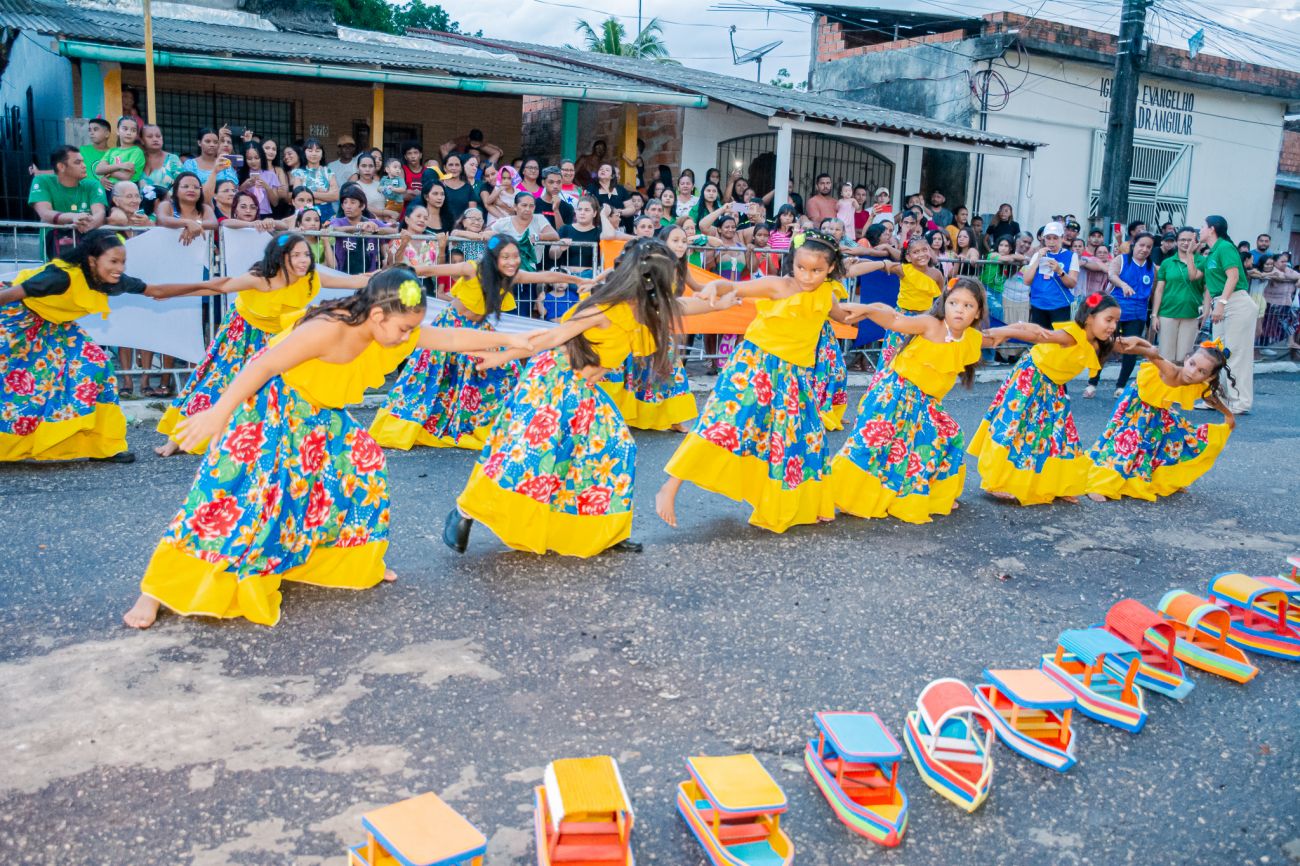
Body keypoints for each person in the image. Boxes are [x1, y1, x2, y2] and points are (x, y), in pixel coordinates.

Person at [125, 271, 531, 628]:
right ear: (378, 315)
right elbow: (263, 365)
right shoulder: (328, 329)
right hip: (273, 407)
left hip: (322, 413)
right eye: (405, 328)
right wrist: (218, 413)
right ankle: (157, 590)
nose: (409, 336)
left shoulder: (392, 330)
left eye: (412, 329)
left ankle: (345, 560)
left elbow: (452, 337)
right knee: (237, 496)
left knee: (362, 465)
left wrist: (510, 339)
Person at [445, 239, 714, 557]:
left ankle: (604, 529)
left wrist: (725, 295)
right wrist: (500, 356)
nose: (673, 284)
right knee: (528, 457)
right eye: (669, 278)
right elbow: (552, 337)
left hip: (584, 389)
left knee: (615, 449)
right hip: (554, 380)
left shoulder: (644, 309)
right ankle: (465, 511)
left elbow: (691, 306)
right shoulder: (605, 308)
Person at [655, 234, 869, 534]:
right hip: (756, 366)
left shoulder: (827, 295)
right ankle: (670, 486)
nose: (807, 276)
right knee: (725, 424)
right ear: (792, 262)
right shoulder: (778, 285)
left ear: (831, 269)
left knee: (800, 437)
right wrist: (716, 286)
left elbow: (844, 316)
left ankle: (802, 502)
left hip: (794, 375)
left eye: (816, 270)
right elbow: (735, 287)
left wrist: (875, 311)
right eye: (801, 268)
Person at [0, 230, 213, 462]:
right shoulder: (61, 277)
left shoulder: (110, 280)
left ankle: (103, 445)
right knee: (10, 380)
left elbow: (157, 291)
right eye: (113, 261)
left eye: (123, 262)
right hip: (14, 319)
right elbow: (9, 294)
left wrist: (214, 286)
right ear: (92, 261)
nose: (120, 268)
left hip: (54, 324)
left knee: (96, 363)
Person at [155, 232, 373, 456]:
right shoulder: (260, 279)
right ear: (280, 257)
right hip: (242, 334)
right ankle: (178, 439)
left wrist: (391, 276)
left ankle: (269, 439)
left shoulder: (310, 277)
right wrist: (166, 290)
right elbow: (217, 286)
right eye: (295, 255)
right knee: (220, 382)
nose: (303, 260)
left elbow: (355, 280)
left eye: (306, 255)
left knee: (281, 388)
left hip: (278, 338)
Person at [830, 278, 1024, 524]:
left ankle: (932, 494)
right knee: (873, 442)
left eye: (968, 306)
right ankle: (838, 491)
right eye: (954, 303)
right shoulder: (931, 324)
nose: (959, 310)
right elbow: (895, 320)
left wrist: (1020, 331)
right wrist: (867, 309)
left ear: (977, 312)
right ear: (944, 303)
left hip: (925, 401)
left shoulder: (971, 338)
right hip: (895, 392)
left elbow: (996, 337)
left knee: (949, 435)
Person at [370, 235, 588, 451]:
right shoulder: (472, 269)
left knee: (508, 370)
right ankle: (410, 426)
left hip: (480, 329)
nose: (512, 262)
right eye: (505, 257)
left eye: (515, 256)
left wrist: (577, 280)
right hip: (451, 326)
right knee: (431, 378)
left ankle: (503, 424)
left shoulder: (513, 276)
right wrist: (387, 276)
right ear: (493, 258)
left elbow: (546, 275)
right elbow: (429, 270)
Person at [970, 294, 1141, 505]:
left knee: (1059, 435)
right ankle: (995, 482)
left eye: (1116, 321)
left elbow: (1128, 345)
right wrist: (1006, 331)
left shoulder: (1098, 342)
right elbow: (1039, 335)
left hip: (1053, 386)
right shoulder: (1071, 336)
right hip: (1032, 378)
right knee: (1015, 430)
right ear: (1089, 317)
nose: (1113, 326)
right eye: (1109, 320)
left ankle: (1058, 484)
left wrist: (1152, 351)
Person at [1086, 339, 1234, 502]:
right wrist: (1118, 343)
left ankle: (1165, 479)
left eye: (1201, 371)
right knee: (1126, 444)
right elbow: (1148, 354)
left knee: (1175, 439)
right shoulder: (1169, 370)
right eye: (1192, 364)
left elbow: (1210, 398)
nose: (1192, 372)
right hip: (1136, 406)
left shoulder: (1200, 385)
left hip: (1158, 409)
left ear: (1210, 376)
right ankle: (1099, 485)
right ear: (1186, 359)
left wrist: (1228, 415)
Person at [1085, 231, 1155, 397]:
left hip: (1137, 314)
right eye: (1141, 245)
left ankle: (1121, 386)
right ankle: (1092, 383)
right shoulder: (1121, 260)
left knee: (1130, 349)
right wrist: (1123, 285)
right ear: (1134, 245)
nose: (1144, 249)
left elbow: (1154, 290)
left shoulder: (1152, 267)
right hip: (1115, 311)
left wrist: (1154, 314)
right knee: (1104, 346)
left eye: (1148, 247)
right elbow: (1112, 275)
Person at [1199, 215, 1252, 414]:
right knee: (1218, 353)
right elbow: (1196, 276)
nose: (1199, 230)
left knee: (1235, 353)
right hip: (1221, 303)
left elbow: (1234, 276)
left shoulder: (1225, 247)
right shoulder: (1212, 252)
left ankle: (1240, 402)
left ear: (1212, 229)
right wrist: (1190, 251)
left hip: (1235, 302)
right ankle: (1216, 398)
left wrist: (1221, 303)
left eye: (1202, 226)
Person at [28, 146, 107, 241]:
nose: (84, 165)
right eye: (78, 162)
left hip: (86, 245)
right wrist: (74, 217)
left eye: (83, 161)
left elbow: (100, 212)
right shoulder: (42, 181)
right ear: (61, 167)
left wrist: (90, 224)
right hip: (54, 246)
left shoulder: (93, 185)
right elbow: (45, 213)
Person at [1151, 227, 1205, 363]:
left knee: (1184, 357)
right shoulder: (1167, 263)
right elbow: (1159, 290)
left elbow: (1207, 289)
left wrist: (1206, 311)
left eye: (1189, 240)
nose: (1186, 243)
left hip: (1191, 314)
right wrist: (1154, 315)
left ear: (1196, 241)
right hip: (1167, 313)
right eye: (1182, 240)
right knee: (1166, 357)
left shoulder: (1202, 261)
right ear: (1176, 241)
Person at [1021, 221, 1078, 328]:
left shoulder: (1071, 256)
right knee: (1039, 337)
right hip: (1038, 304)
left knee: (1058, 338)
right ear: (1044, 239)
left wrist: (1060, 271)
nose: (1051, 242)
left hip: (1060, 305)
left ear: (1062, 238)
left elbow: (1072, 283)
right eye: (1048, 238)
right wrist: (1038, 259)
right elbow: (1026, 280)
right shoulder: (1038, 255)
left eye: (1055, 238)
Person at [490, 192, 560, 273]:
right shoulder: (504, 222)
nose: (528, 209)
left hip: (531, 269)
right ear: (515, 207)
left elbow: (555, 235)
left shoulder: (539, 219)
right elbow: (487, 234)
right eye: (524, 205)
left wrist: (537, 237)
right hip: (507, 268)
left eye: (531, 206)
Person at [154, 171, 218, 248]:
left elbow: (214, 223)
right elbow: (162, 220)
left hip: (199, 253)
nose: (191, 190)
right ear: (176, 190)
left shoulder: (205, 208)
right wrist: (187, 223)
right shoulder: (166, 205)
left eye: (196, 187)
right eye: (185, 186)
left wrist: (195, 225)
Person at [181, 128, 238, 206]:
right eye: (207, 141)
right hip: (197, 206)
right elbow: (188, 188)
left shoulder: (224, 162)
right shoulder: (190, 164)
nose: (212, 145)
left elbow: (233, 188)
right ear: (199, 143)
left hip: (222, 207)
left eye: (215, 142)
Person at [550, 195, 602, 278]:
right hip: (566, 276)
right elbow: (552, 255)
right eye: (579, 209)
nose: (582, 213)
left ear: (594, 213)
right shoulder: (565, 229)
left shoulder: (599, 232)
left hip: (589, 277)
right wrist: (560, 247)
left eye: (587, 210)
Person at [291, 138, 340, 220]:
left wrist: (308, 193)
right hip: (306, 213)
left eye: (317, 151)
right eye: (310, 151)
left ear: (322, 153)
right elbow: (298, 196)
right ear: (304, 153)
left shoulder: (328, 172)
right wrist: (325, 195)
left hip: (327, 213)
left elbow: (335, 196)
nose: (314, 154)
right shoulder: (299, 173)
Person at [385, 204, 442, 273]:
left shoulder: (432, 242)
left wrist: (442, 247)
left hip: (427, 279)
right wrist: (403, 244)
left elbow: (440, 268)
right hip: (403, 278)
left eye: (426, 218)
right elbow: (392, 265)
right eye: (418, 216)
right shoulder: (396, 240)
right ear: (407, 219)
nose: (422, 220)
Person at [95, 116, 145, 191]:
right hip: (109, 189)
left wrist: (107, 172)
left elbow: (126, 176)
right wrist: (120, 165)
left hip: (127, 190)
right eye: (125, 129)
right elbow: (98, 170)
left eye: (133, 130)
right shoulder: (111, 151)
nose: (129, 133)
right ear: (118, 131)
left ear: (136, 134)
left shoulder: (136, 152)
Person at [139, 124, 184, 200]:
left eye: (158, 136)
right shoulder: (137, 159)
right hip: (137, 206)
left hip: (168, 205)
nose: (155, 139)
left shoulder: (172, 159)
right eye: (150, 136)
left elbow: (183, 183)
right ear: (142, 140)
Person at [237, 140, 282, 217]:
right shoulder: (239, 174)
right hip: (245, 215)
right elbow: (233, 198)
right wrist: (244, 186)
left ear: (262, 157)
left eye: (257, 158)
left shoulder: (271, 175)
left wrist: (266, 187)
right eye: (249, 159)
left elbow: (275, 203)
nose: (253, 161)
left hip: (265, 214)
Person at [378, 158, 407, 222]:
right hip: (387, 201)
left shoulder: (400, 179)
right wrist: (382, 188)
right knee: (389, 217)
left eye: (399, 168)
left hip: (396, 202)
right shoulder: (384, 178)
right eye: (395, 167)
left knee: (386, 215)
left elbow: (403, 189)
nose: (398, 169)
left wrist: (394, 189)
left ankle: (391, 225)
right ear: (387, 169)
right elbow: (379, 188)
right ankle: (393, 224)